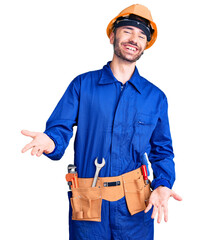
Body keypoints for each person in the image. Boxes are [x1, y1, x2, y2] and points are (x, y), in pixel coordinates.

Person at [21, 4, 182, 240]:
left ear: (145, 45)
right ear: (112, 36)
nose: (133, 39)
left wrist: (163, 184)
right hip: (89, 206)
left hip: (136, 207)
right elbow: (59, 129)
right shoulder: (82, 85)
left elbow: (162, 150)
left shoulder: (155, 97)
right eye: (127, 31)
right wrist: (51, 141)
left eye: (141, 36)